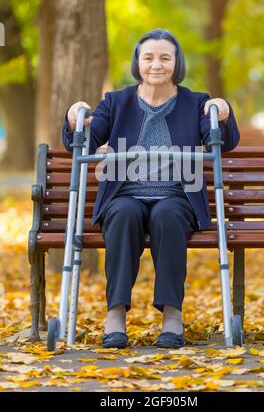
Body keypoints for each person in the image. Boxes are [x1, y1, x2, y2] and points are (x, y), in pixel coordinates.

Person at [62, 28, 240, 349]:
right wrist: (75, 119)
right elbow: (85, 140)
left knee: (168, 215)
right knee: (122, 213)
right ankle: (115, 313)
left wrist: (222, 115)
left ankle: (172, 315)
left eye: (164, 58)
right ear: (138, 62)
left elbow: (223, 143)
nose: (156, 64)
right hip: (125, 194)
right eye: (148, 58)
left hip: (177, 195)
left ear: (176, 63)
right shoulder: (115, 102)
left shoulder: (195, 102)